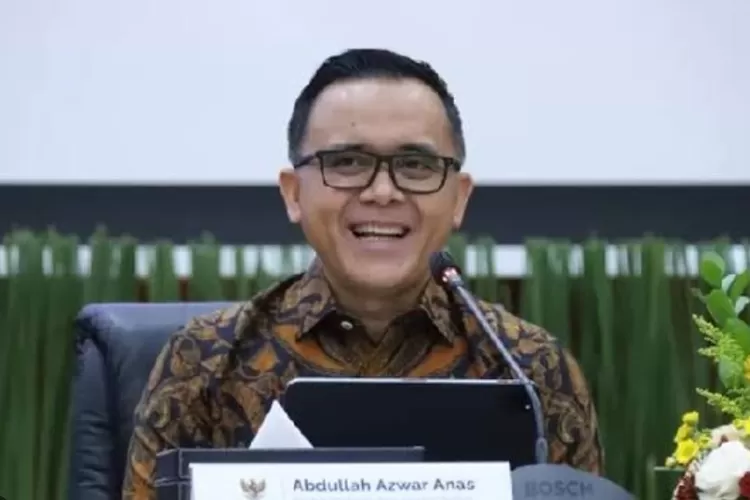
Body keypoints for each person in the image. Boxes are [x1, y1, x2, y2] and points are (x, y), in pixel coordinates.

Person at [122, 48, 603, 499]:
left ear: (458, 198)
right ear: (293, 193)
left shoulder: (530, 370)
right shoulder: (204, 362)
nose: (382, 192)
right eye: (347, 162)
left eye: (415, 164)